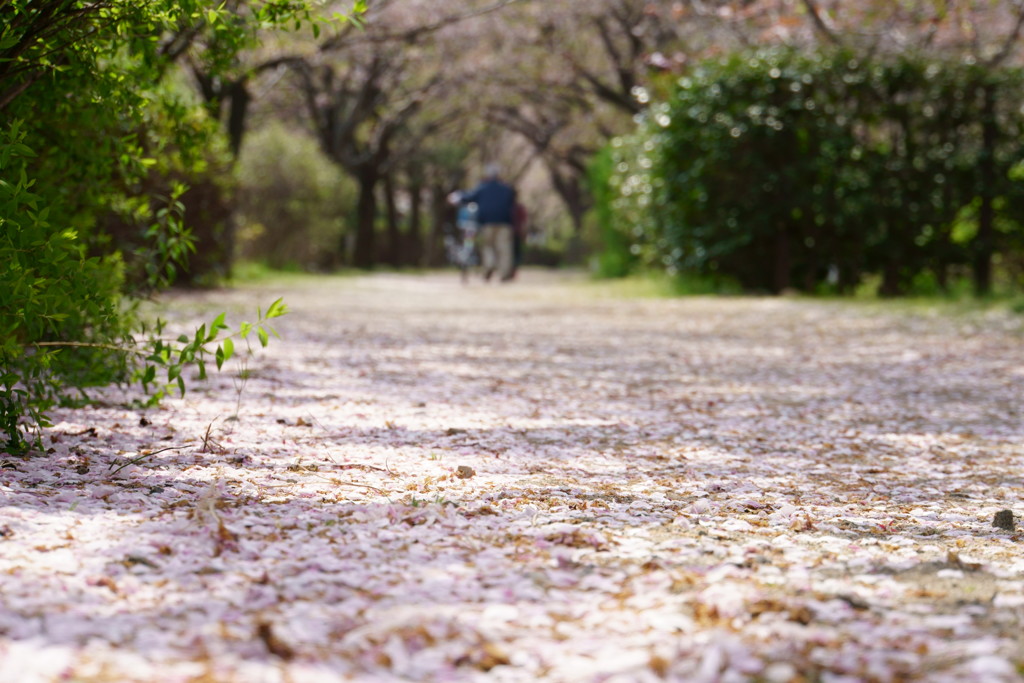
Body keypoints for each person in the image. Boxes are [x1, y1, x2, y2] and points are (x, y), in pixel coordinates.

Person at [448, 164, 517, 282]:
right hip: (504, 222)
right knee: (504, 248)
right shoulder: (507, 189)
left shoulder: (483, 188)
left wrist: (457, 197)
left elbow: (469, 196)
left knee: (488, 246)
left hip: (487, 222)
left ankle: (489, 265)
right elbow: (512, 203)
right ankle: (504, 273)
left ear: (488, 175)